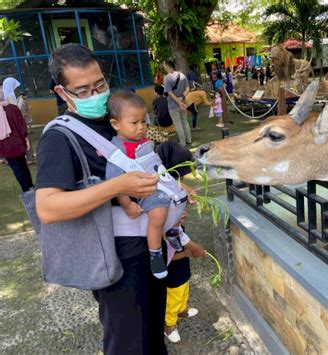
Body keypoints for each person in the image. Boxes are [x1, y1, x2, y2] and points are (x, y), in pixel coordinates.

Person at [36, 43, 167, 354]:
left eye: (100, 85)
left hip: (150, 249)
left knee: (152, 335)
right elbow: (47, 208)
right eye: (83, 90)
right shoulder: (59, 137)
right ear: (62, 92)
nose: (95, 94)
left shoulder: (117, 117)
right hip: (114, 261)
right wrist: (117, 186)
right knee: (128, 343)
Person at [106, 91, 177, 279]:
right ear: (116, 124)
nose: (141, 127)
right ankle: (155, 253)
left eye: (144, 121)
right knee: (159, 214)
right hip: (144, 192)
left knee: (180, 201)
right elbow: (114, 183)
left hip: (158, 181)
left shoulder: (142, 140)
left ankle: (173, 232)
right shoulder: (118, 152)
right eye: (134, 123)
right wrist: (127, 204)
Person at [164, 212, 205, 343]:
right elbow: (166, 258)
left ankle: (182, 311)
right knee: (173, 300)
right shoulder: (166, 234)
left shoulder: (179, 228)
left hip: (182, 271)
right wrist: (186, 253)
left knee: (184, 292)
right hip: (173, 275)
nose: (184, 214)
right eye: (178, 212)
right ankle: (169, 325)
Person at [0, 86, 33, 192]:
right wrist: (25, 137)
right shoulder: (13, 108)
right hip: (18, 143)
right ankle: (30, 185)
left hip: (5, 146)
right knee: (22, 164)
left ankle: (26, 189)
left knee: (16, 167)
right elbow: (21, 125)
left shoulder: (12, 108)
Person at [163, 58, 192, 147]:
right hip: (183, 103)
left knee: (178, 123)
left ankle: (182, 142)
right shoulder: (182, 75)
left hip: (173, 105)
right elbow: (188, 88)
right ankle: (189, 139)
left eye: (164, 65)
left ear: (167, 66)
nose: (163, 66)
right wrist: (182, 97)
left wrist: (177, 101)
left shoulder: (167, 78)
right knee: (185, 121)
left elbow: (169, 92)